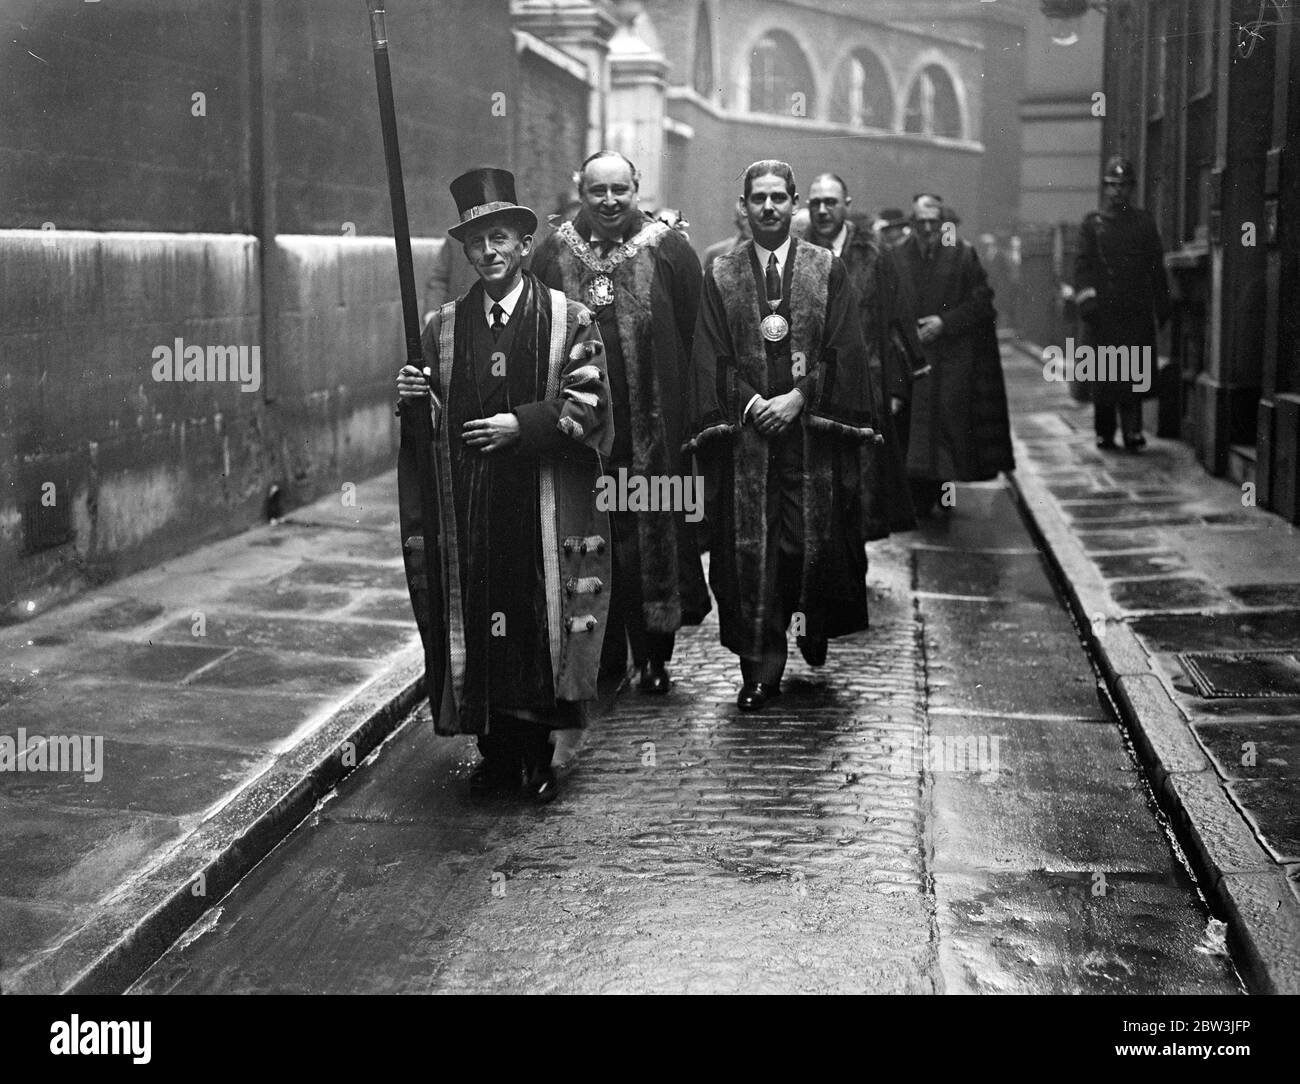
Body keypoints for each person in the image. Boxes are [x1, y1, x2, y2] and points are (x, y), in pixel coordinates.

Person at [396, 167, 611, 803]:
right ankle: (493, 750)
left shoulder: (569, 318)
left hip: (541, 501)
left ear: (522, 243)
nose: (488, 253)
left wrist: (522, 423)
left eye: (499, 239)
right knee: (481, 624)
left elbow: (591, 402)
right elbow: (428, 423)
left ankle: (538, 756)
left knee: (538, 622)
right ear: (465, 251)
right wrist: (416, 400)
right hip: (473, 507)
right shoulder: (443, 327)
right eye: (475, 243)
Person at [685, 160, 880, 712]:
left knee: (802, 546)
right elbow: (710, 354)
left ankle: (809, 625)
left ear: (794, 204)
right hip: (748, 444)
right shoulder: (721, 273)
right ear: (742, 206)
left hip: (808, 440)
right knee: (752, 559)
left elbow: (844, 348)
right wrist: (751, 403)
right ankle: (759, 668)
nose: (768, 207)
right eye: (757, 198)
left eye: (778, 198)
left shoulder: (826, 268)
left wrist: (798, 398)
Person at [531, 150, 710, 695]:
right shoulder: (553, 254)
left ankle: (654, 653)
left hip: (652, 432)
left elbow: (693, 336)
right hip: (580, 436)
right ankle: (601, 655)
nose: (609, 202)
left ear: (637, 189)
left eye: (620, 190)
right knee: (590, 542)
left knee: (647, 545)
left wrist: (693, 424)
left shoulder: (671, 250)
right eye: (597, 191)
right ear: (580, 192)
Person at [806, 172, 920, 538]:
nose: (823, 211)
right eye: (816, 203)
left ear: (847, 206)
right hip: (808, 389)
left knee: (861, 486)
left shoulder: (873, 255)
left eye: (831, 203)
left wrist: (898, 389)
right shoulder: (796, 251)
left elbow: (897, 323)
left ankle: (853, 571)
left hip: (865, 388)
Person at [893, 193, 1014, 516]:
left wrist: (944, 323)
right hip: (908, 357)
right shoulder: (897, 256)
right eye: (922, 222)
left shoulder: (962, 255)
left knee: (946, 433)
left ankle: (942, 495)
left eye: (934, 221)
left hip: (949, 361)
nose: (928, 228)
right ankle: (917, 498)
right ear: (913, 223)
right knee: (911, 431)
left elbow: (981, 303)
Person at [1074, 155, 1171, 451]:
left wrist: (1161, 304)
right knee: (1105, 375)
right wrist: (1087, 298)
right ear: (1105, 188)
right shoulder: (1092, 225)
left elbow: (1156, 266)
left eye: (1124, 186)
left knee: (1132, 373)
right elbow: (1082, 266)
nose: (1118, 192)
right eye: (1113, 186)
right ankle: (1105, 432)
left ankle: (1132, 431)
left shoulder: (1143, 223)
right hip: (1103, 312)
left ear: (1132, 188)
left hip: (1134, 310)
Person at [703, 206, 751, 276]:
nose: (750, 223)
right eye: (745, 218)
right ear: (737, 221)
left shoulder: (771, 254)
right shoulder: (715, 253)